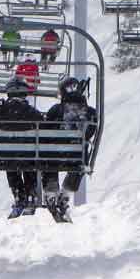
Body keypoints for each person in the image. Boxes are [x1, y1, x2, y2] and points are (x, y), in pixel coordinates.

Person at [41, 77, 99, 221]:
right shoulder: (90, 112)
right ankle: (64, 195)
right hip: (77, 158)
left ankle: (51, 191)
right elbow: (90, 132)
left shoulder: (56, 110)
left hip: (54, 156)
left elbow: (45, 130)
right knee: (80, 164)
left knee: (48, 159)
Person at [0, 77, 46, 218]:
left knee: (11, 163)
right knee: (30, 161)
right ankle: (31, 194)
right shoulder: (33, 112)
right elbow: (43, 133)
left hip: (6, 156)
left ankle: (19, 195)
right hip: (29, 157)